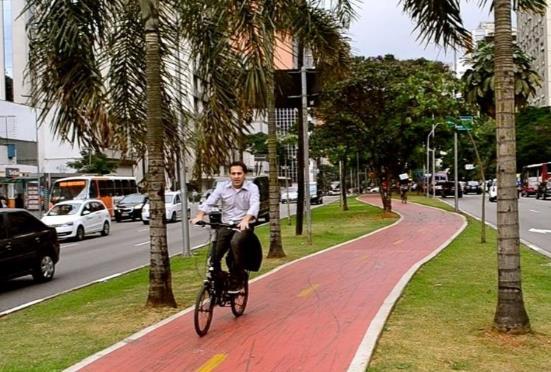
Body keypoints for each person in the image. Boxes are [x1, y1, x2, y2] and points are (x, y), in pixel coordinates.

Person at [191, 161, 260, 292]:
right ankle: (220, 279)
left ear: (244, 174)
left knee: (235, 243)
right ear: (229, 175)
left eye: (239, 173)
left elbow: (254, 204)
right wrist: (200, 215)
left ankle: (238, 277)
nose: (236, 176)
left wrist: (246, 219)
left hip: (243, 226)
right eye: (233, 173)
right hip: (226, 224)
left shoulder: (252, 188)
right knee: (214, 255)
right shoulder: (222, 187)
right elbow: (210, 201)